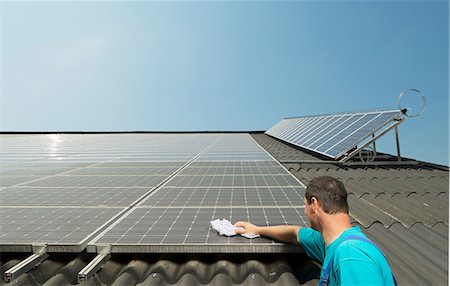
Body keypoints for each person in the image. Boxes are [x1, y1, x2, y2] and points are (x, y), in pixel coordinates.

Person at [234, 176, 397, 286]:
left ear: (315, 204)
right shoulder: (331, 243)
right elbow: (295, 233)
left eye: (305, 205)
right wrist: (257, 229)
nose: (304, 211)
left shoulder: (351, 256)